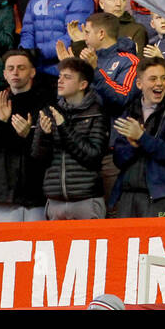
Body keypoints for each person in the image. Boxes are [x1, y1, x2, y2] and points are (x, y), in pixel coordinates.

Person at [0, 50, 53, 222]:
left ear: (32, 72)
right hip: (3, 196)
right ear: (4, 74)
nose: (15, 72)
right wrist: (2, 122)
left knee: (38, 248)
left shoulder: (45, 104)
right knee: (5, 248)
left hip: (37, 196)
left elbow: (51, 153)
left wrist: (29, 135)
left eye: (21, 68)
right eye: (10, 68)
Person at [109, 56, 165, 218]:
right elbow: (118, 158)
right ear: (139, 84)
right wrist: (133, 146)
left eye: (163, 78)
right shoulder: (129, 110)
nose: (159, 83)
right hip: (127, 196)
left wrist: (142, 138)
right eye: (153, 79)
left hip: (161, 198)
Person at [33, 56, 109, 220]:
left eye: (67, 77)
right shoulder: (49, 112)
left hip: (86, 200)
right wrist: (44, 137)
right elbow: (38, 159)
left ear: (83, 84)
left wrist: (64, 128)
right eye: (60, 76)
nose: (60, 81)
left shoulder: (97, 114)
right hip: (55, 201)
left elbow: (93, 156)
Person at [20, 0, 95, 80]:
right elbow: (27, 30)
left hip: (63, 71)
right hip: (35, 71)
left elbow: (73, 36)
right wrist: (25, 53)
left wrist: (38, 53)